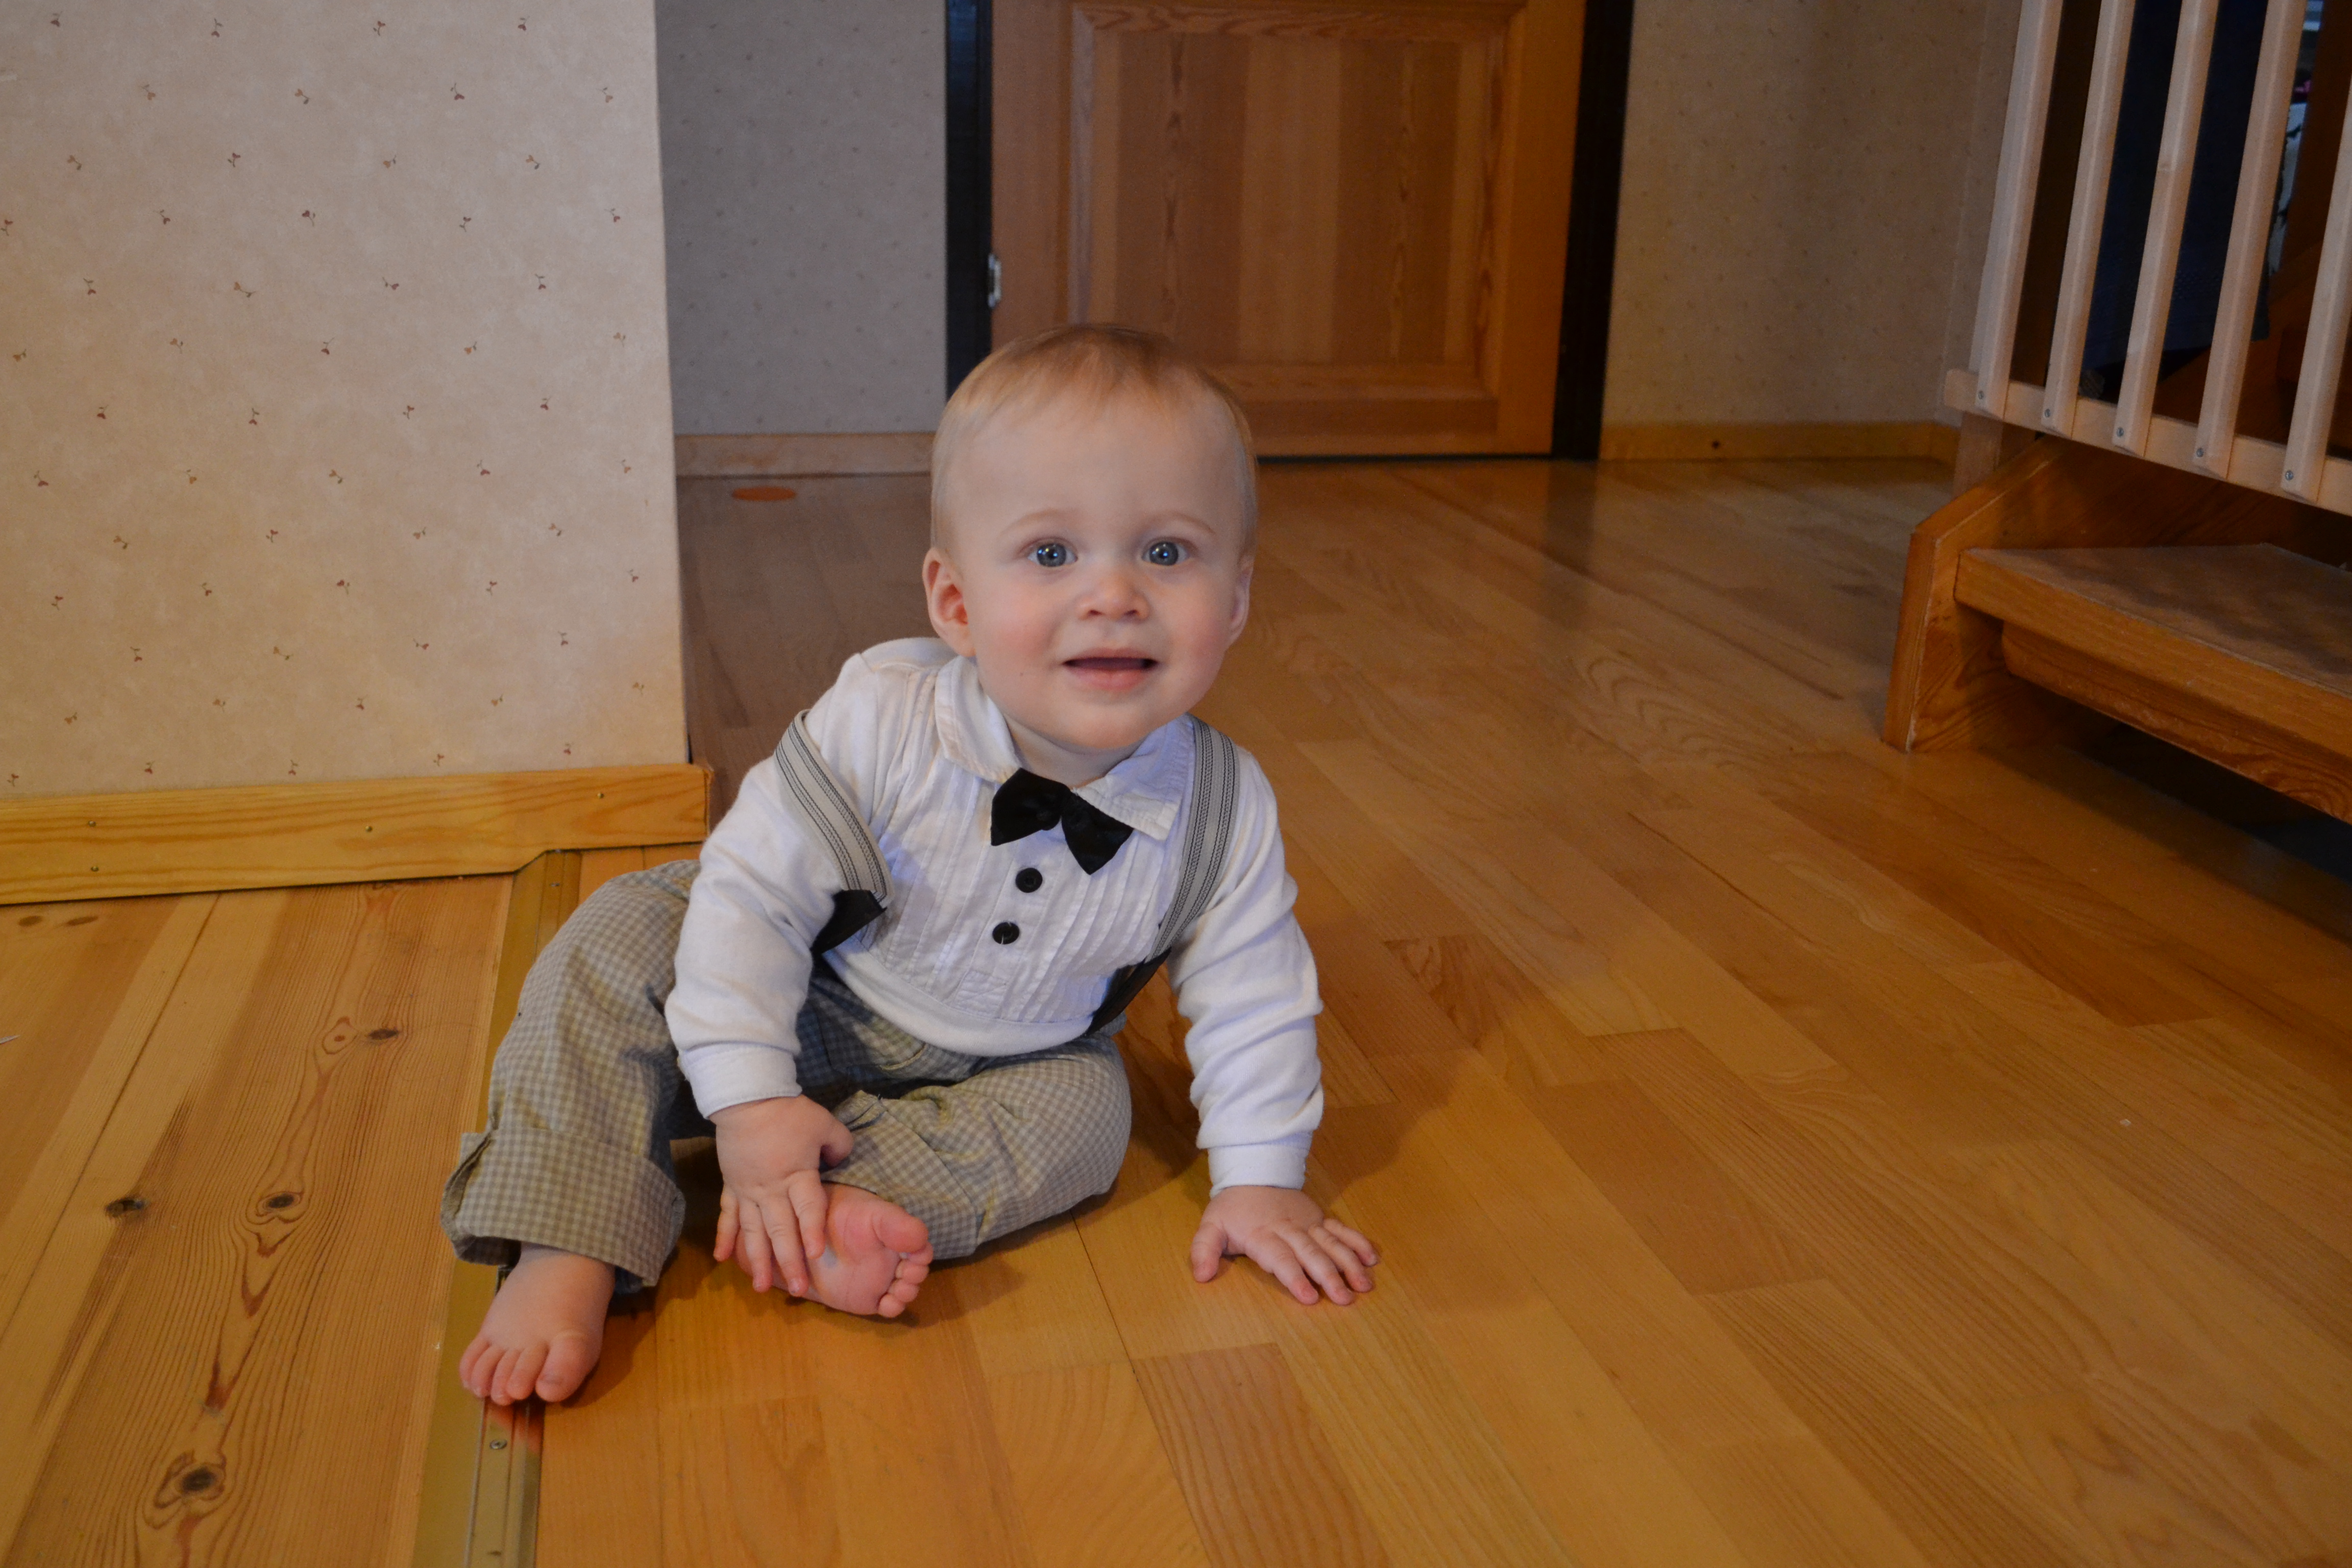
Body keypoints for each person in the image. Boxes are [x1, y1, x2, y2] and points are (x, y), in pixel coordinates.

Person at [442, 325, 1379, 1407]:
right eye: (1052, 554)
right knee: (625, 933)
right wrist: (751, 1099)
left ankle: (821, 1215)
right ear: (955, 604)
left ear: (1239, 598)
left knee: (1089, 1125)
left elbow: (1256, 1000)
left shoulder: (1222, 807)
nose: (1115, 594)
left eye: (1167, 554)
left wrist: (1261, 1182)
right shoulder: (883, 722)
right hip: (817, 991)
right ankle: (569, 1234)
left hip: (1022, 1054)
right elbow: (752, 903)